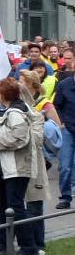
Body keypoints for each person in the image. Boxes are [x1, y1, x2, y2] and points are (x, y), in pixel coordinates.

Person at [0, 78, 43, 255]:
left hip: (17, 167)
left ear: (3, 94)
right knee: (5, 207)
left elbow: (19, 138)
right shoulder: (12, 110)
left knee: (15, 207)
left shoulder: (16, 113)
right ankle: (5, 245)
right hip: (9, 167)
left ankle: (28, 248)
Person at [51, 68, 75, 209]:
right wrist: (62, 121)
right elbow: (57, 105)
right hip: (68, 130)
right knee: (65, 166)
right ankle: (65, 197)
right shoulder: (64, 85)